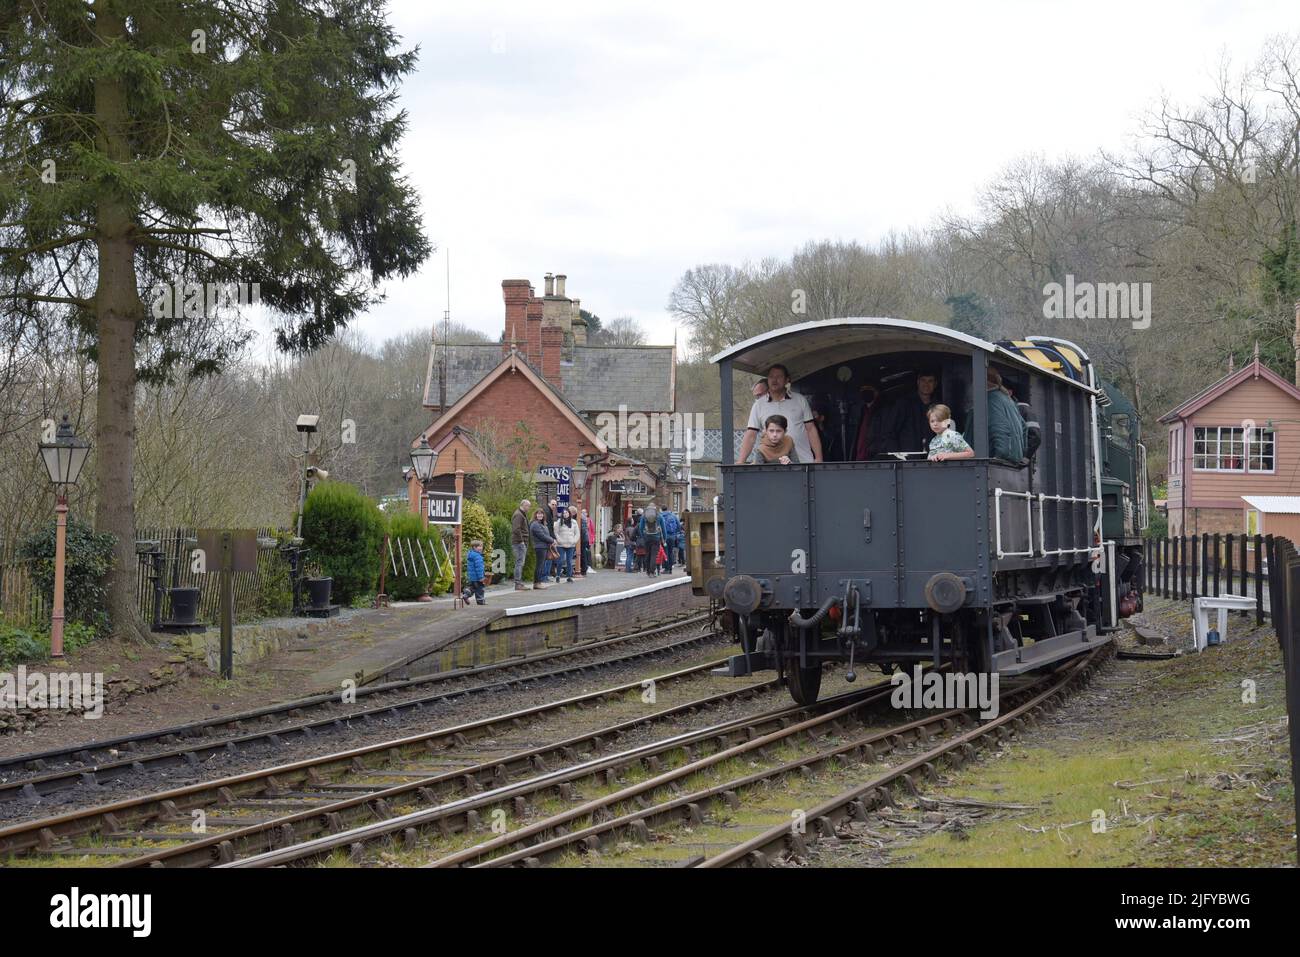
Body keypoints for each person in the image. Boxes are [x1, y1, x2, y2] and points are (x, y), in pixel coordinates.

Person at [736, 364, 823, 464]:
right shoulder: (758, 405)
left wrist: (818, 458)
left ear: (787, 380)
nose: (774, 380)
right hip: (772, 466)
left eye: (779, 376)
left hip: (802, 461)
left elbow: (811, 429)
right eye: (771, 376)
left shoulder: (800, 400)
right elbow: (751, 435)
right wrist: (740, 462)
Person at [873, 369, 940, 455]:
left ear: (935, 384)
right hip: (907, 461)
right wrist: (897, 456)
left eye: (930, 381)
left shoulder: (939, 407)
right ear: (918, 382)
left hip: (932, 460)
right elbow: (889, 432)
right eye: (923, 380)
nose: (926, 384)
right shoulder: (904, 404)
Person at [987, 368, 1028, 462]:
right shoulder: (1009, 400)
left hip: (995, 463)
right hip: (1013, 461)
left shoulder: (990, 400)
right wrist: (1022, 453)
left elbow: (1000, 427)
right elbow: (1024, 427)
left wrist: (999, 457)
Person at [529, 508, 556, 589]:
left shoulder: (542, 524)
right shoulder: (535, 524)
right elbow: (542, 536)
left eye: (541, 514)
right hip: (539, 547)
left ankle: (538, 582)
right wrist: (552, 540)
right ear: (535, 515)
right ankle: (537, 583)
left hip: (544, 547)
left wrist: (551, 540)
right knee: (539, 565)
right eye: (538, 514)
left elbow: (546, 535)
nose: (540, 515)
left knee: (541, 565)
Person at [554, 507, 580, 583]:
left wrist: (574, 541)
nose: (565, 514)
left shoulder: (574, 522)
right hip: (561, 545)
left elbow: (577, 533)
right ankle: (558, 575)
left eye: (567, 513)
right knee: (561, 560)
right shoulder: (559, 522)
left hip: (571, 544)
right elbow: (556, 532)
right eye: (564, 513)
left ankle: (569, 576)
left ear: (569, 513)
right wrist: (559, 540)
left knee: (569, 561)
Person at [510, 499, 531, 591]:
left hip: (520, 542)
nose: (529, 508)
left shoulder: (521, 514)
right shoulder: (519, 515)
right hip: (519, 543)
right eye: (528, 506)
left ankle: (519, 583)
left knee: (520, 563)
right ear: (523, 505)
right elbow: (516, 529)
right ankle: (518, 583)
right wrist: (521, 541)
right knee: (519, 563)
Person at [639, 503, 664, 578]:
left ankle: (647, 570)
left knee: (647, 554)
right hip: (656, 538)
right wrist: (664, 538)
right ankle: (652, 572)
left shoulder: (644, 516)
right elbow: (663, 528)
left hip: (647, 538)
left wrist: (643, 536)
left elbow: (641, 528)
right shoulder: (659, 516)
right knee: (654, 555)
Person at [463, 539, 487, 605]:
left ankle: (466, 595)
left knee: (472, 588)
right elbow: (479, 568)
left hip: (472, 577)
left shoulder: (471, 554)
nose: (481, 548)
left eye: (481, 546)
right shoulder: (477, 556)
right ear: (474, 547)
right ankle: (480, 601)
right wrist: (481, 577)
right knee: (480, 589)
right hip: (477, 577)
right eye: (479, 546)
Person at [660, 507, 680, 574]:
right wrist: (675, 533)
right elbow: (678, 525)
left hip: (664, 537)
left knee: (665, 552)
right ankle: (670, 568)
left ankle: (666, 568)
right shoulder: (673, 515)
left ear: (662, 509)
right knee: (670, 552)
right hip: (672, 536)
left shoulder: (661, 516)